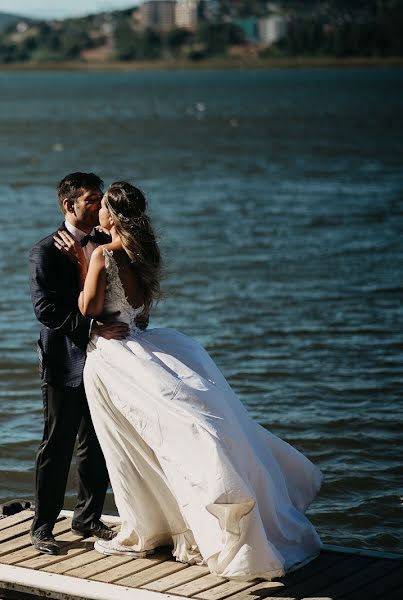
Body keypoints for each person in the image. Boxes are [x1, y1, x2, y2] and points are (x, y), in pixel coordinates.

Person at [53, 181, 322, 580]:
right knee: (160, 439)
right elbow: (140, 315)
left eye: (104, 206)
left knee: (128, 447)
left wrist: (81, 260)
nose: (99, 213)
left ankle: (150, 527)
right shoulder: (144, 253)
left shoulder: (102, 255)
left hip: (111, 357)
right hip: (140, 342)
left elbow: (89, 308)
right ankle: (177, 522)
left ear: (114, 215)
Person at [27, 172, 132, 556]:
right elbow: (47, 311)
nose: (99, 205)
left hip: (110, 361)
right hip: (66, 361)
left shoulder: (110, 243)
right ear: (68, 205)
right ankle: (42, 527)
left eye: (100, 198)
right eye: (91, 199)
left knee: (98, 442)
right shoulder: (44, 252)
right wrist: (93, 327)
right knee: (57, 445)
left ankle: (88, 517)